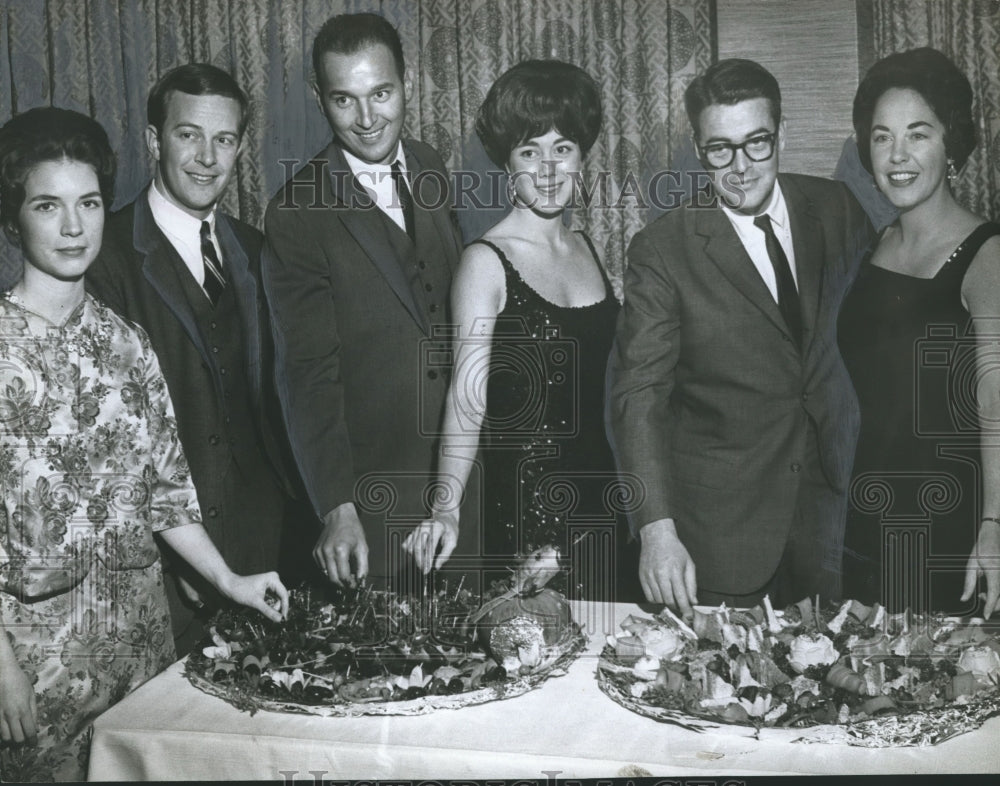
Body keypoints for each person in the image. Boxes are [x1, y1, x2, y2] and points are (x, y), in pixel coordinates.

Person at [0, 107, 288, 782]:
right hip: (33, 670)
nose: (74, 227)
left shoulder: (129, 344)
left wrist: (229, 581)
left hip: (138, 653)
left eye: (90, 203)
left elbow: (169, 498)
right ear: (15, 220)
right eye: (49, 205)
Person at [608, 58, 873, 616]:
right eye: (719, 149)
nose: (741, 167)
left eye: (757, 143)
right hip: (722, 540)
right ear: (698, 148)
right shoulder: (662, 250)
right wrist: (656, 529)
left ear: (783, 134)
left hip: (835, 529)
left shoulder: (837, 210)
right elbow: (638, 397)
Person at [402, 60, 637, 601]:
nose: (548, 168)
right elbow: (467, 398)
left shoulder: (587, 250)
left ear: (582, 158)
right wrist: (446, 509)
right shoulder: (486, 261)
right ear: (508, 162)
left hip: (602, 507)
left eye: (563, 148)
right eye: (530, 151)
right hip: (530, 520)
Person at [86, 64, 300, 656]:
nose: (207, 157)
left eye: (224, 139)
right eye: (188, 135)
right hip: (168, 562)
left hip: (267, 547)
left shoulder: (257, 250)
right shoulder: (104, 260)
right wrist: (178, 551)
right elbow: (109, 445)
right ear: (155, 141)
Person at [263, 13, 467, 588]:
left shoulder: (431, 167)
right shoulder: (295, 211)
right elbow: (306, 374)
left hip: (462, 481)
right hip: (372, 505)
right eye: (344, 100)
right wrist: (337, 507)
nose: (368, 118)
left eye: (381, 93)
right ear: (319, 100)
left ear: (407, 82)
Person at [839, 48, 1000, 617]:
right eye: (882, 137)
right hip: (862, 527)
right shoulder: (874, 245)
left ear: (950, 143)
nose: (898, 155)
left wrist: (995, 525)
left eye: (918, 134)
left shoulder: (987, 255)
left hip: (950, 536)